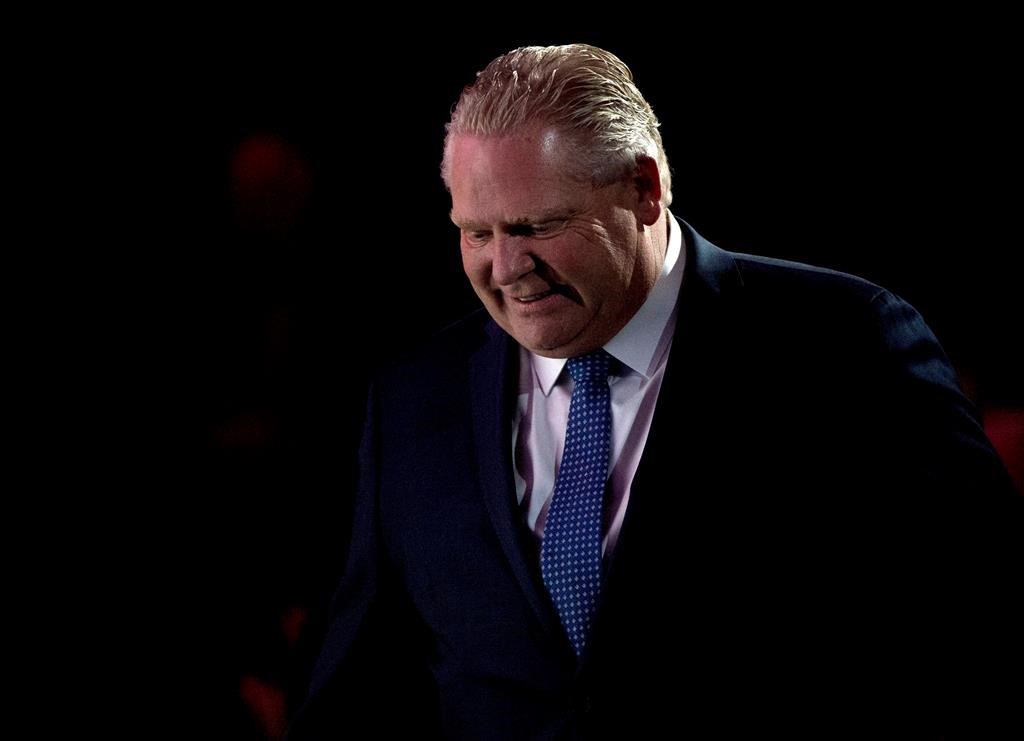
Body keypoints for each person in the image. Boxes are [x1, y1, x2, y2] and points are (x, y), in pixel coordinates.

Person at [288, 44, 1020, 738]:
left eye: (536, 225)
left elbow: (978, 625)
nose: (506, 267)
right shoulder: (417, 397)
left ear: (644, 188)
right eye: (475, 233)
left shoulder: (846, 347)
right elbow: (362, 680)